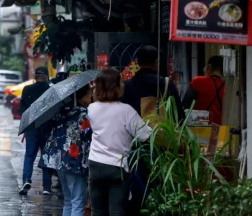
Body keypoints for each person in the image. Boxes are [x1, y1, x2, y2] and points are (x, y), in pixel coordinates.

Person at [88, 69, 151, 216]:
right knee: (116, 211)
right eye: (120, 82)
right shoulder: (126, 111)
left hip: (95, 165)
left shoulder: (92, 108)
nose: (123, 84)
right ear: (115, 87)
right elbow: (146, 136)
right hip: (118, 167)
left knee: (97, 211)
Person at [42, 85, 93, 216]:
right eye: (89, 94)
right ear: (82, 96)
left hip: (58, 160)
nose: (91, 97)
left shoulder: (60, 112)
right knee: (78, 201)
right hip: (74, 161)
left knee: (69, 200)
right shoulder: (83, 114)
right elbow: (88, 134)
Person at [121, 45, 185, 122]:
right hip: (159, 131)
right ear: (156, 62)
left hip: (133, 131)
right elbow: (178, 114)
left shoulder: (127, 85)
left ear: (137, 62)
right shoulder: (166, 84)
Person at [19, 67, 53, 196]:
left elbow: (22, 108)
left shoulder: (27, 89)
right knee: (45, 157)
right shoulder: (50, 91)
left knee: (29, 156)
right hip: (46, 127)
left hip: (31, 127)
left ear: (35, 77)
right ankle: (46, 187)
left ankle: (26, 180)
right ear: (46, 77)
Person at [183, 55, 226, 124]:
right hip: (217, 130)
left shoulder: (197, 81)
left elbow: (185, 104)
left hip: (197, 127)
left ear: (209, 67)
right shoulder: (226, 87)